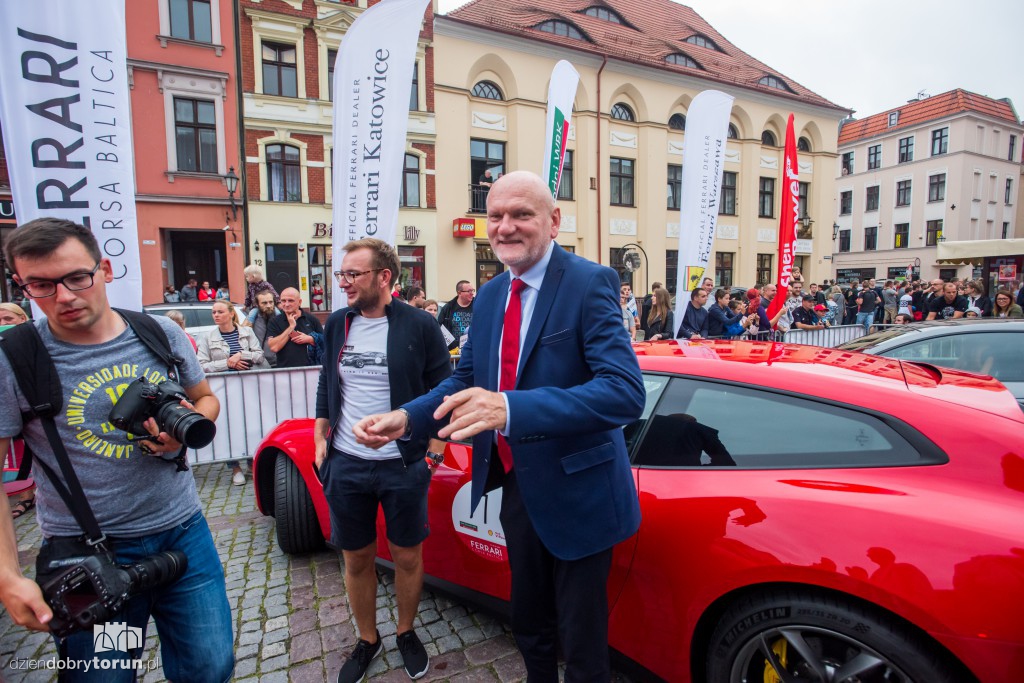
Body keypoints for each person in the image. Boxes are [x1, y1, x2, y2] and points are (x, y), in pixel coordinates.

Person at [353, 171, 644, 683]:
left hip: (582, 492)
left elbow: (623, 392)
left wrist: (512, 409)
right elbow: (464, 380)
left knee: (581, 639)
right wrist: (408, 417)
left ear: (553, 221)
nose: (505, 227)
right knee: (528, 620)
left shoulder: (589, 282)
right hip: (517, 487)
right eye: (496, 216)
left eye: (521, 215)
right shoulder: (488, 297)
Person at [0, 218, 232, 682]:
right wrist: (7, 574)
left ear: (103, 268)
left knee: (207, 667)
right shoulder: (15, 358)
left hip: (183, 535)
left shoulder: (158, 332)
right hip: (94, 557)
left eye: (76, 278)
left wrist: (188, 427)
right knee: (109, 673)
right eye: (42, 285)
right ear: (21, 285)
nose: (63, 296)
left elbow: (206, 398)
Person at [314, 238, 451, 682]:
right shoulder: (339, 323)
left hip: (403, 464)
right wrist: (321, 438)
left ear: (384, 276)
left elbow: (442, 394)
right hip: (346, 463)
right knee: (357, 558)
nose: (344, 284)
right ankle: (368, 637)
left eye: (353, 275)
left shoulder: (420, 325)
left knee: (407, 556)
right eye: (342, 275)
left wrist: (432, 458)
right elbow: (325, 384)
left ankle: (406, 631)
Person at [198, 301, 269, 486]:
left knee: (251, 422)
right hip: (224, 389)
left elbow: (260, 355)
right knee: (229, 425)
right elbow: (201, 365)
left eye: (220, 311)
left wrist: (241, 355)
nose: (216, 315)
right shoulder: (207, 337)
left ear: (231, 314)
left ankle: (251, 462)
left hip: (249, 386)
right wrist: (227, 363)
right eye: (213, 312)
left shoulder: (246, 332)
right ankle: (234, 467)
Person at [267, 287, 324, 368]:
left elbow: (326, 341)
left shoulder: (311, 319)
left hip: (311, 370)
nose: (286, 304)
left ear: (300, 302)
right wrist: (291, 327)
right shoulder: (274, 321)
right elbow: (274, 347)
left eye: (290, 300)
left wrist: (311, 339)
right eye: (283, 301)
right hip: (285, 371)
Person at [245, 290, 280, 367]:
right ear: (257, 304)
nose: (268, 305)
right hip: (259, 363)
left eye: (271, 302)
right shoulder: (253, 318)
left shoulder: (280, 318)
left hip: (278, 362)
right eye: (264, 303)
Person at [438, 280, 475, 350]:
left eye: (473, 290)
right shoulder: (448, 308)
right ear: (459, 293)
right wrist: (453, 346)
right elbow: (441, 328)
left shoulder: (477, 306)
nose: (472, 293)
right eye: (469, 291)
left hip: (473, 349)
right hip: (453, 352)